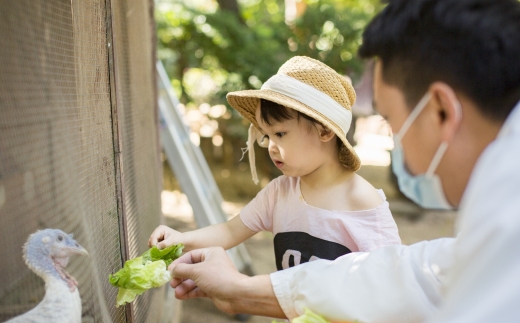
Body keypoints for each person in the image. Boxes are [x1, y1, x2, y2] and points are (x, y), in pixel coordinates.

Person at [165, 0, 520, 322]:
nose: (396, 145)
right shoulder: (497, 216)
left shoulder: (504, 223)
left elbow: (389, 285)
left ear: (441, 111)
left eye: (392, 122)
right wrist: (237, 288)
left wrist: (241, 290)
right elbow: (400, 279)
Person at [149, 56, 401, 272]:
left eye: (280, 134)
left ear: (324, 131)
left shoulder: (363, 203)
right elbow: (229, 232)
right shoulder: (279, 193)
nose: (270, 145)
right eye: (266, 135)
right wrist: (179, 239)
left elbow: (393, 279)